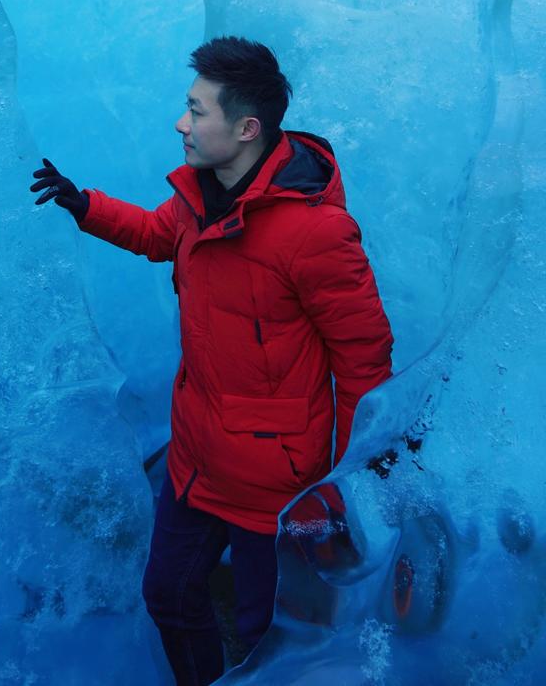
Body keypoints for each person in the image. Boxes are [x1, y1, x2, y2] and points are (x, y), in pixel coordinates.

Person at [30, 36, 393, 685]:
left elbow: (362, 358)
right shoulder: (201, 196)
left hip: (272, 485)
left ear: (247, 128)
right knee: (168, 595)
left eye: (197, 111)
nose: (182, 123)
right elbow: (154, 233)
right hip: (195, 456)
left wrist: (343, 475)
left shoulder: (315, 233)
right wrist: (85, 205)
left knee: (263, 640)